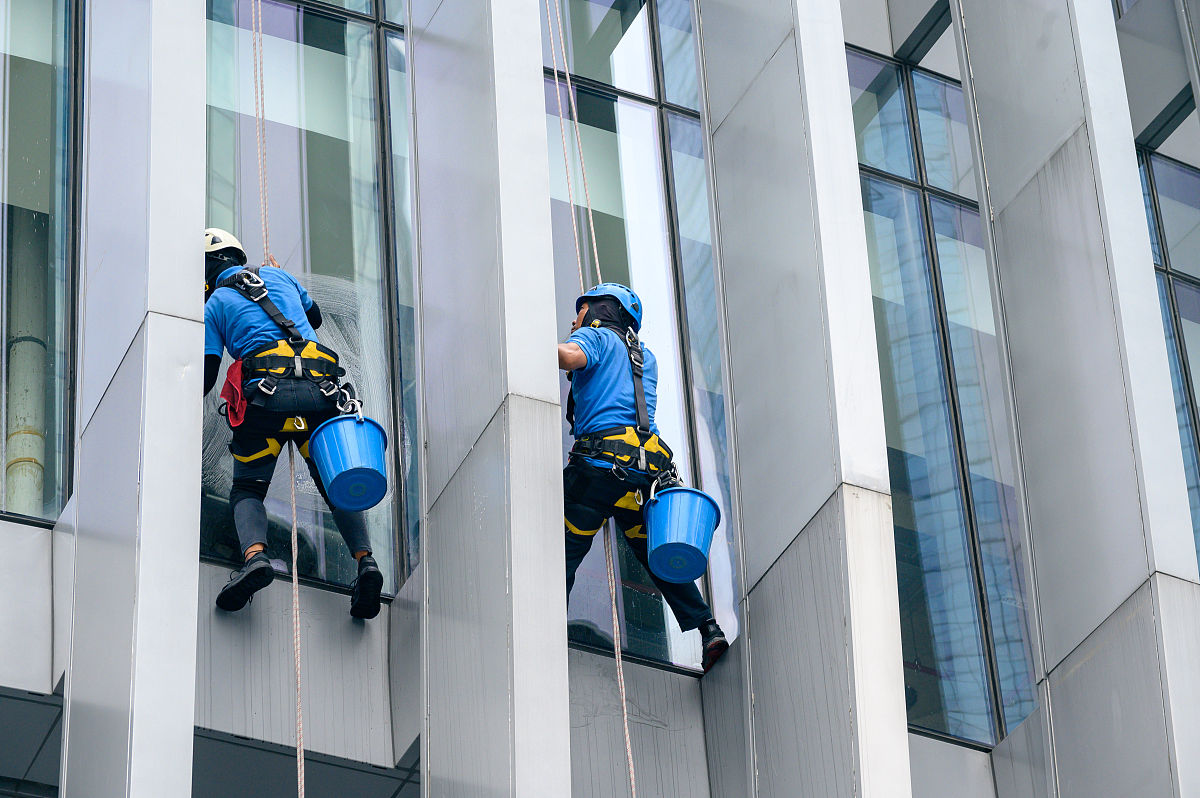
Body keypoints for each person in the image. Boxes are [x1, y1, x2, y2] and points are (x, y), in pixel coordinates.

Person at [203, 227, 383, 618]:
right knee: (336, 484)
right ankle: (366, 561)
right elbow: (314, 319)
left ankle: (255, 557)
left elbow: (206, 373)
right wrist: (278, 280)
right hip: (320, 396)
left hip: (266, 402)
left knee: (248, 488)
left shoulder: (216, 301)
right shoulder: (280, 276)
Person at [558, 283, 729, 672]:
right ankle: (708, 627)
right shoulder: (644, 356)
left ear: (601, 309)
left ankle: (545, 627)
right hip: (639, 476)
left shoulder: (597, 335)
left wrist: (534, 342)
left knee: (560, 552)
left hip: (597, 470)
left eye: (580, 309)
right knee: (657, 556)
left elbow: (570, 357)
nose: (574, 318)